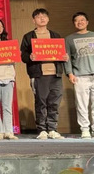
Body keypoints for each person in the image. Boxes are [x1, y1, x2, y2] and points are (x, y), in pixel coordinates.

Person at [20, 8, 67, 140]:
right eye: (38, 16)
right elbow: (23, 56)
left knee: (54, 102)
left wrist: (65, 57)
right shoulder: (28, 36)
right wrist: (30, 57)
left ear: (48, 19)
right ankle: (42, 130)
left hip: (55, 74)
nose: (42, 18)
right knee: (41, 102)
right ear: (33, 20)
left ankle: (52, 128)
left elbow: (61, 52)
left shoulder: (55, 35)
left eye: (44, 16)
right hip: (39, 74)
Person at [64, 12, 94, 139]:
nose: (80, 22)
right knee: (81, 105)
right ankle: (84, 129)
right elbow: (66, 58)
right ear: (74, 23)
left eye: (82, 20)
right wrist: (69, 73)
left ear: (87, 22)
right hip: (80, 76)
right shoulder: (69, 39)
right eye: (77, 20)